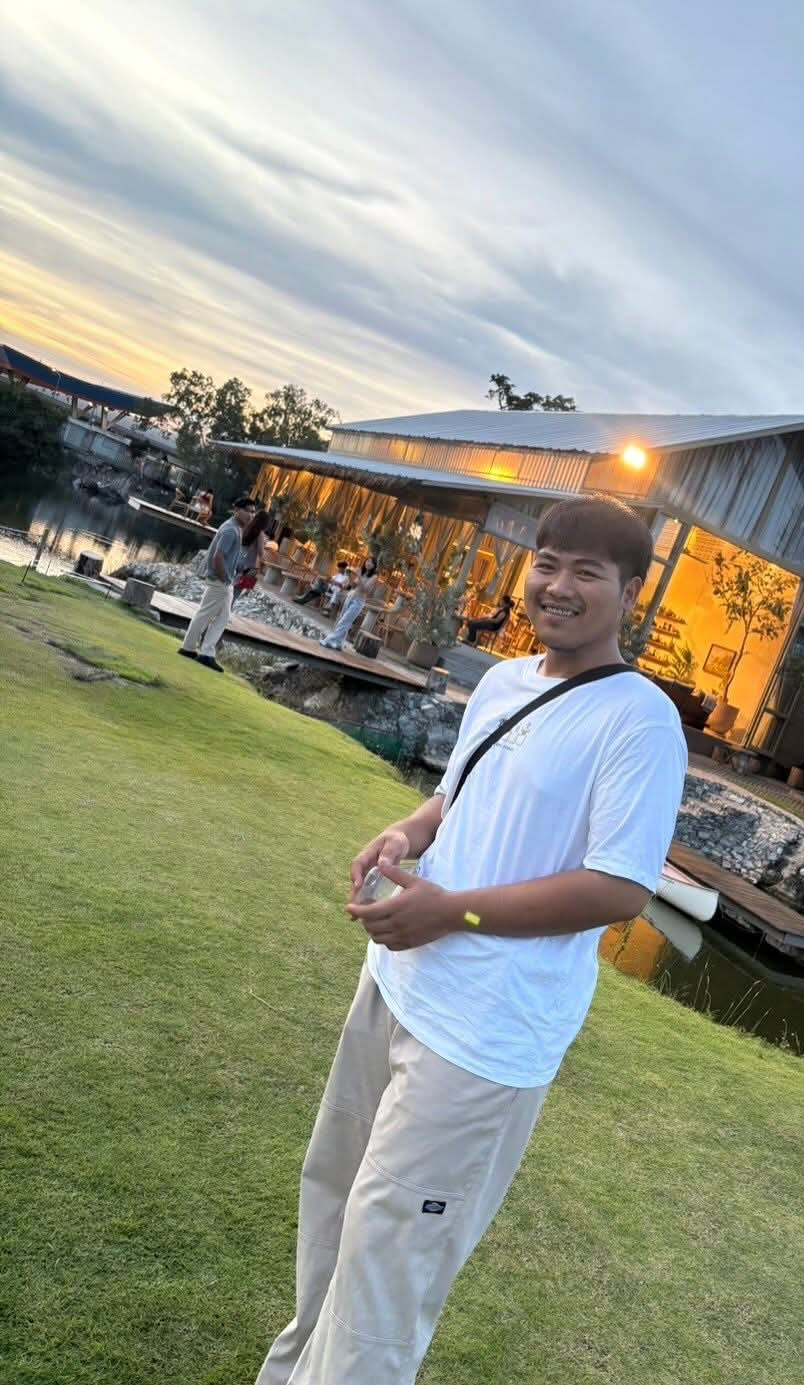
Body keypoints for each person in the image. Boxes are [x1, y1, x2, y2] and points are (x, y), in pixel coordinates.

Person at [254, 497, 687, 1385]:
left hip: (482, 1036)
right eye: (547, 562)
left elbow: (620, 887)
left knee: (386, 1271)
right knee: (332, 1206)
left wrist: (455, 912)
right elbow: (455, 796)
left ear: (631, 592)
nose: (557, 585)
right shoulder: (504, 681)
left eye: (587, 572)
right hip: (396, 985)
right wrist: (406, 832)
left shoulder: (640, 720)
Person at [177, 496, 255, 672]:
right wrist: (224, 578)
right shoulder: (230, 530)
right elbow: (218, 556)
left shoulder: (235, 528)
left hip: (224, 580)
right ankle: (195, 650)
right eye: (247, 511)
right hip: (220, 580)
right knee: (206, 614)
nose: (250, 515)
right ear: (237, 510)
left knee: (222, 616)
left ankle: (202, 651)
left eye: (253, 512)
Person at [319, 561, 380, 650]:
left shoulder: (374, 577)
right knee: (343, 620)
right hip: (350, 597)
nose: (368, 563)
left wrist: (359, 576)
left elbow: (365, 590)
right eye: (367, 561)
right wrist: (350, 576)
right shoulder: (362, 573)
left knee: (344, 621)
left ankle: (328, 640)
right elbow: (353, 586)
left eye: (371, 563)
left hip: (358, 601)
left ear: (374, 566)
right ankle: (339, 643)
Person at [232, 509, 271, 605]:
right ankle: (227, 610)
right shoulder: (260, 534)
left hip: (237, 559)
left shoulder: (246, 527)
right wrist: (265, 546)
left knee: (229, 588)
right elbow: (261, 552)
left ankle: (221, 609)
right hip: (248, 566)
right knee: (236, 593)